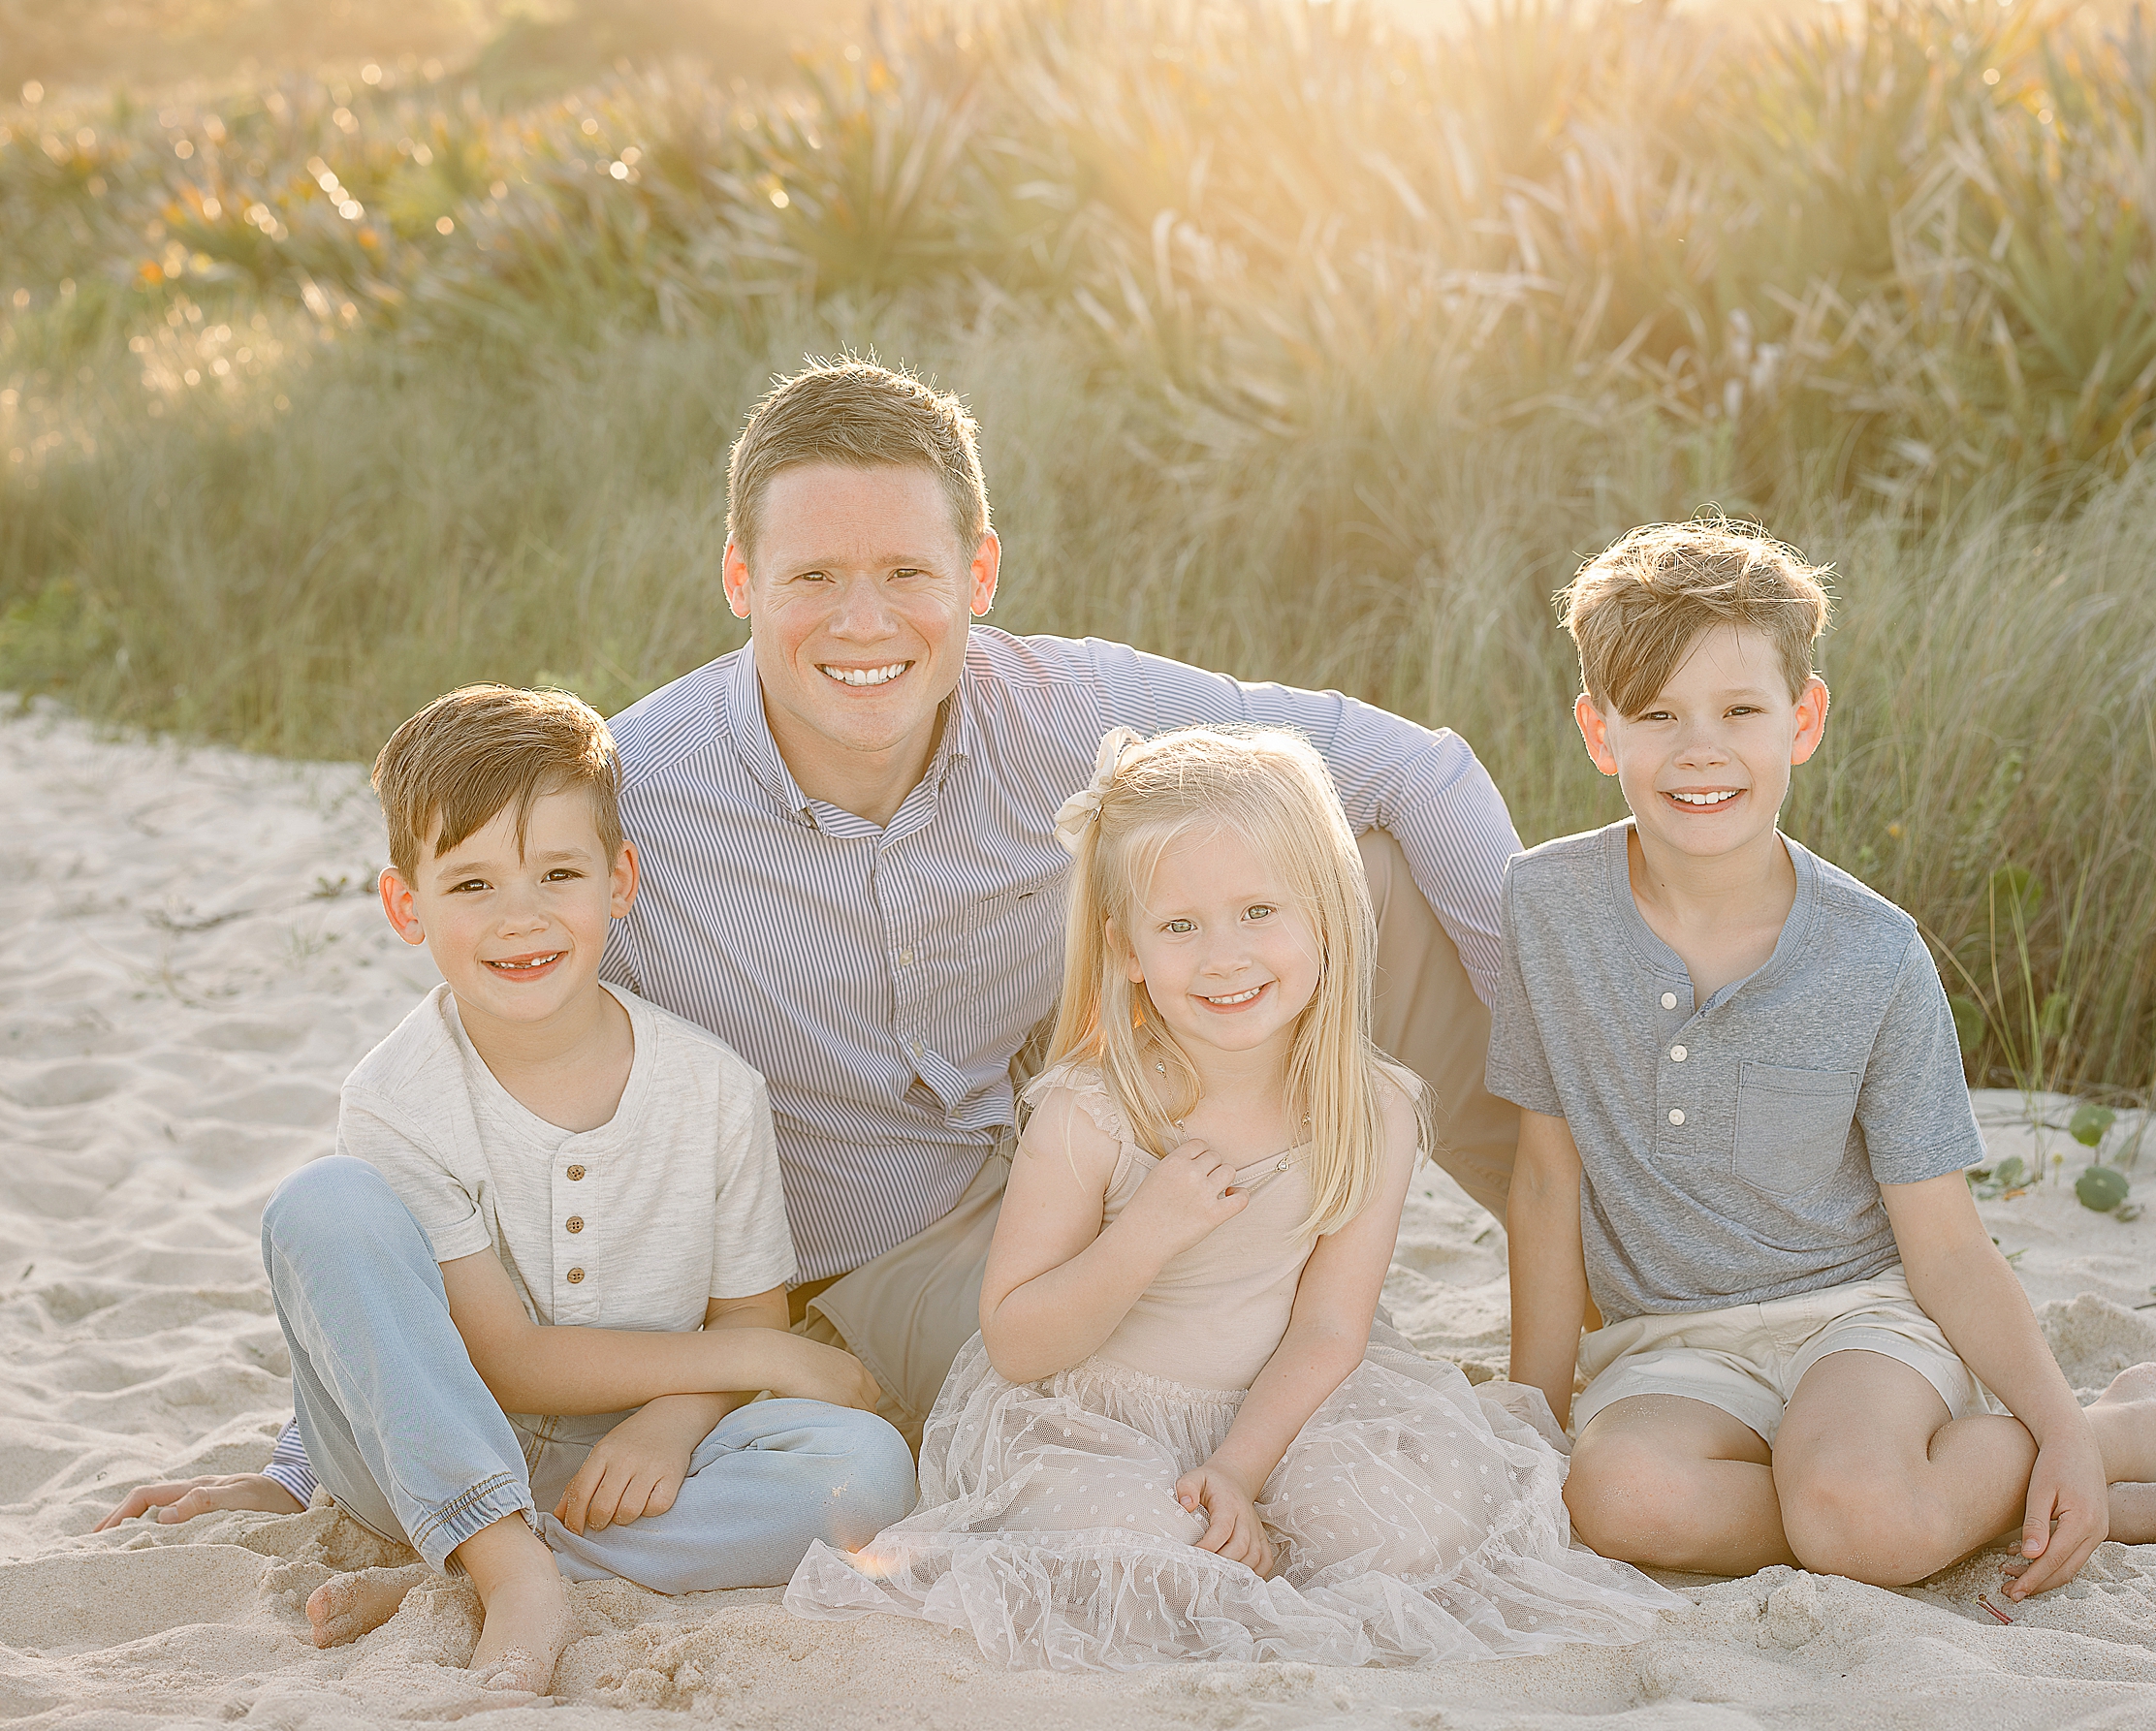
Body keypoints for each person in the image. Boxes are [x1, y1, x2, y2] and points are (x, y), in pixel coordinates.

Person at [105, 358, 1522, 1557]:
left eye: (907, 572)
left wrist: (1560, 1060)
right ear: (740, 576)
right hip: (871, 1254)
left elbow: (1427, 768)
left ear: (977, 573)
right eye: (815, 576)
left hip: (1079, 1142)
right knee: (1129, 1358)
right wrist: (315, 1449)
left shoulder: (1075, 707)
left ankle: (1608, 1269)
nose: (863, 620)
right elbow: (474, 1071)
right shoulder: (636, 800)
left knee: (1352, 868)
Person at [1495, 519, 2156, 1600]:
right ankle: (2008, 1491)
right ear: (1598, 731)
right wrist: (1530, 1412)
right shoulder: (1543, 906)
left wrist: (2051, 1419)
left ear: (1802, 721)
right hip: (1668, 1343)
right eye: (1656, 715)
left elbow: (1942, 1243)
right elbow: (1543, 1176)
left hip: (1856, 1316)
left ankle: (2110, 1434)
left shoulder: (1874, 951)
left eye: (1739, 711)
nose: (1698, 749)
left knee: (1861, 1519)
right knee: (1615, 1500)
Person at [783, 726, 1676, 1668]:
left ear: (1324, 917)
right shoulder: (1093, 1113)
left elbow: (1331, 1327)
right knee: (1142, 1549)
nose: (1224, 957)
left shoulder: (1371, 1107)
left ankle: (1250, 1518)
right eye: (1180, 925)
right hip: (1096, 1412)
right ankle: (1215, 1539)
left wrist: (1237, 1469)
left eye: (1258, 910)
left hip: (1287, 1405)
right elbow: (1017, 1339)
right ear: (1125, 949)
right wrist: (1147, 1233)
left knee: (1419, 1523)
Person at [105, 686, 914, 1702]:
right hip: (417, 1449)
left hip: (627, 1467)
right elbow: (506, 1358)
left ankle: (461, 1570)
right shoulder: (399, 1097)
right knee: (324, 1201)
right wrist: (759, 1353)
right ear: (408, 906)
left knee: (865, 1472)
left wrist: (666, 1422)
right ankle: (509, 1567)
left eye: (558, 873)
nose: (520, 916)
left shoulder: (714, 1088)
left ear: (618, 881)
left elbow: (742, 1305)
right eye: (473, 883)